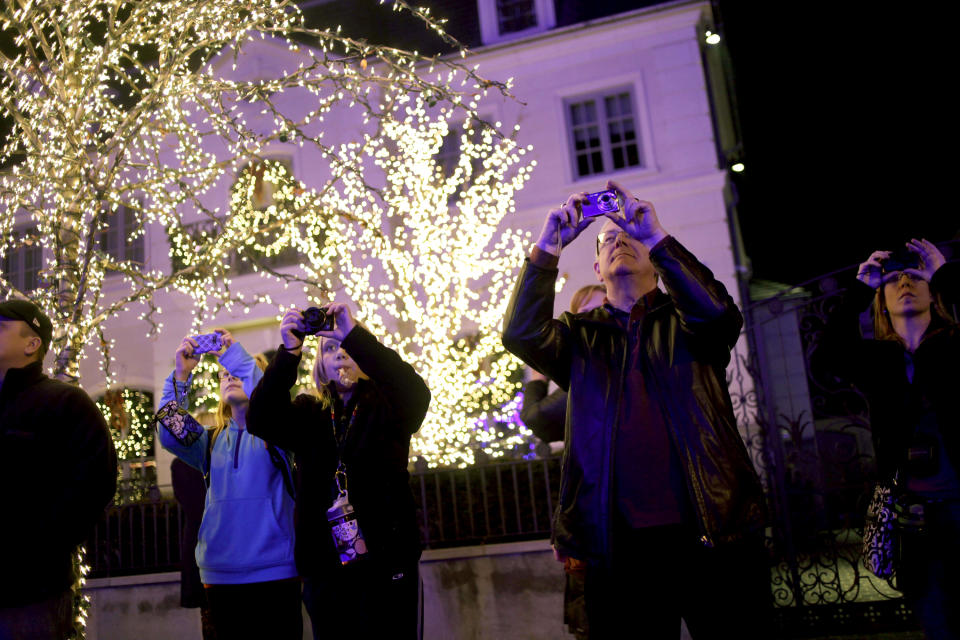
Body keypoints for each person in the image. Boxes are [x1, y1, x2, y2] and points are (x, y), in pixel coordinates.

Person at [501, 181, 769, 639]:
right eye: (608, 239)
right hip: (618, 546)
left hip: (710, 532)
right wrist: (547, 247)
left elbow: (720, 314)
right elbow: (521, 335)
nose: (620, 240)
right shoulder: (578, 337)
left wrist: (657, 236)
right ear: (597, 266)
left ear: (655, 260)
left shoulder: (689, 324)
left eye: (629, 236)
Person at [247, 303, 430, 639]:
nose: (341, 353)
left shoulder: (390, 406)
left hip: (387, 559)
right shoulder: (307, 412)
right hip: (324, 565)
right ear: (320, 365)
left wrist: (354, 334)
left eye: (348, 347)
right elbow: (260, 419)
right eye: (331, 348)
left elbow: (416, 393)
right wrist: (289, 352)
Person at [816, 239, 958, 639]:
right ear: (881, 300)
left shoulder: (953, 346)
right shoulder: (878, 360)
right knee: (937, 624)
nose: (905, 283)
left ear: (934, 291)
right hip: (912, 520)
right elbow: (826, 357)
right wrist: (862, 287)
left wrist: (944, 273)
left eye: (914, 276)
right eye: (894, 280)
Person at [157, 329, 300, 639]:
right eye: (223, 374)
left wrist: (235, 355)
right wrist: (181, 375)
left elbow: (273, 400)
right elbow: (169, 431)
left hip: (275, 571)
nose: (229, 376)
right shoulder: (210, 442)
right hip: (221, 576)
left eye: (236, 371)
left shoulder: (279, 433)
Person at [0, 299, 117, 640]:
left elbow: (96, 483)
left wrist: (40, 546)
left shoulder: (66, 403)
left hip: (32, 594)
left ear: (32, 344)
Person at [519, 283, 604, 640]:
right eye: (586, 313)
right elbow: (541, 420)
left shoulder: (591, 373)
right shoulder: (579, 374)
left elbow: (536, 416)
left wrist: (536, 381)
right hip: (589, 519)